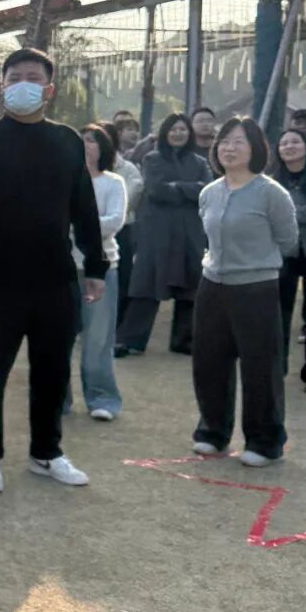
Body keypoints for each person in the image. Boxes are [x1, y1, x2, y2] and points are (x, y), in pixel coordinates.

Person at [0, 49, 106, 494]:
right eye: (14, 76)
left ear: (49, 89)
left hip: (55, 278)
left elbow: (83, 207)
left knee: (52, 371)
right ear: (2, 87)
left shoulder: (67, 141)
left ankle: (46, 452)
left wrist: (96, 264)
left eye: (33, 77)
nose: (23, 83)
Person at [191, 118, 298, 466]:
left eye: (239, 141)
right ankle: (212, 432)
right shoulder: (210, 192)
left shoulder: (271, 193)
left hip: (256, 287)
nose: (229, 148)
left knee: (260, 366)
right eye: (224, 141)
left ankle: (265, 442)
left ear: (255, 149)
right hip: (212, 285)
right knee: (209, 362)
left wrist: (256, 260)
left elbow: (288, 240)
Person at [116, 112, 209, 357]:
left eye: (183, 129)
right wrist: (188, 189)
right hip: (157, 232)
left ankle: (184, 340)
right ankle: (131, 340)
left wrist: (176, 187)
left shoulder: (200, 162)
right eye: (173, 129)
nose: (178, 133)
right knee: (146, 285)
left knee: (190, 287)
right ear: (165, 133)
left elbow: (206, 192)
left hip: (190, 232)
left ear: (189, 133)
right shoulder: (152, 158)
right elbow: (157, 190)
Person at [66, 125, 126, 421]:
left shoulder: (113, 182)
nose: (86, 145)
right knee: (59, 338)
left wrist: (80, 224)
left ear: (104, 148)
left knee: (98, 339)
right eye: (81, 140)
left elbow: (115, 221)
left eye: (92, 141)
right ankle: (58, 399)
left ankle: (102, 398)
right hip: (64, 267)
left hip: (103, 269)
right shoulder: (63, 180)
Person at [271, 128, 306, 393]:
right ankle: (274, 367)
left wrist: (288, 212)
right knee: (277, 312)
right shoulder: (271, 181)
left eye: (295, 142)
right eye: (284, 143)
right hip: (283, 253)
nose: (289, 146)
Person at [105, 121, 143, 320]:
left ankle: (118, 324)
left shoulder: (128, 170)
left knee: (122, 279)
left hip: (121, 232)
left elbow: (125, 203)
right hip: (86, 232)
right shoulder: (79, 167)